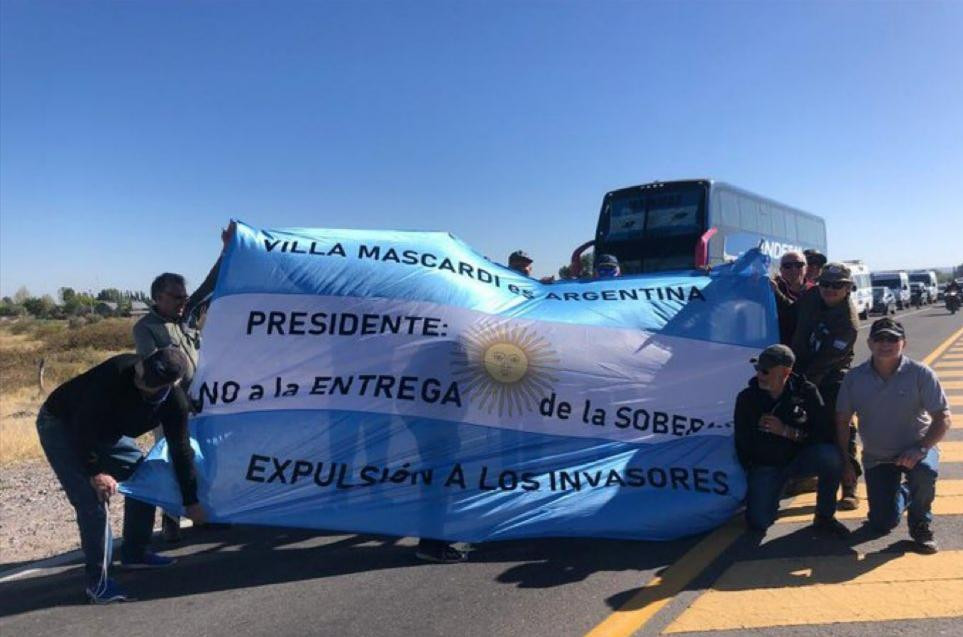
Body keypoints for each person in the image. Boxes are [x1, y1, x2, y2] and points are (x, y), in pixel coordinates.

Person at [36, 348, 206, 603]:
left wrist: (191, 501)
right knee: (93, 501)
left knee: (144, 478)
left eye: (148, 384)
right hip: (63, 425)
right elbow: (82, 427)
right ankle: (98, 583)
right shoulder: (116, 372)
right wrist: (95, 473)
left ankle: (135, 552)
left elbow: (181, 450)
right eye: (140, 375)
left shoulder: (174, 403)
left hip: (107, 433)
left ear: (170, 385)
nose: (140, 382)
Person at [133, 224, 232, 540]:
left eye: (183, 297)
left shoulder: (187, 316)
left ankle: (207, 512)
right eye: (175, 297)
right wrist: (181, 398)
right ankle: (171, 522)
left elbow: (211, 284)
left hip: (203, 401)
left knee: (209, 456)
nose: (181, 302)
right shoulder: (146, 328)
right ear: (157, 297)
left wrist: (227, 249)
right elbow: (156, 371)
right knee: (175, 458)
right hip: (171, 406)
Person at [835, 318, 952, 553]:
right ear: (869, 343)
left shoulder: (920, 373)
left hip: (916, 450)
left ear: (904, 343)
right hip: (878, 457)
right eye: (879, 338)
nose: (885, 344)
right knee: (882, 523)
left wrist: (921, 448)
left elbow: (943, 418)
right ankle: (906, 492)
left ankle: (921, 525)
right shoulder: (854, 378)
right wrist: (846, 462)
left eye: (892, 339)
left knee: (925, 473)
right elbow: (842, 421)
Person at [734, 344, 848, 535]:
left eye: (765, 371)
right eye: (757, 369)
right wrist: (753, 471)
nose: (759, 375)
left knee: (830, 456)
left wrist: (788, 432)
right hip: (767, 465)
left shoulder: (806, 391)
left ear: (785, 372)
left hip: (799, 459)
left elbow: (823, 433)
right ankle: (770, 493)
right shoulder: (747, 398)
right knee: (759, 522)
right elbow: (742, 441)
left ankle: (825, 516)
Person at [791, 262, 861, 510]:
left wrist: (801, 386)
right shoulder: (811, 297)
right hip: (802, 367)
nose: (830, 289)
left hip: (830, 374)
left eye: (837, 285)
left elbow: (824, 363)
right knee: (803, 424)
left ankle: (849, 484)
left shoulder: (848, 324)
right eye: (825, 284)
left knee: (839, 426)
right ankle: (805, 475)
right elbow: (789, 312)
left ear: (848, 288)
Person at [771, 251, 807, 345]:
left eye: (798, 265)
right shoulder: (769, 288)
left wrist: (776, 293)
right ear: (781, 270)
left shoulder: (816, 292)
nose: (793, 269)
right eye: (787, 266)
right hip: (775, 346)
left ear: (805, 268)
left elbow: (797, 313)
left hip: (802, 351)